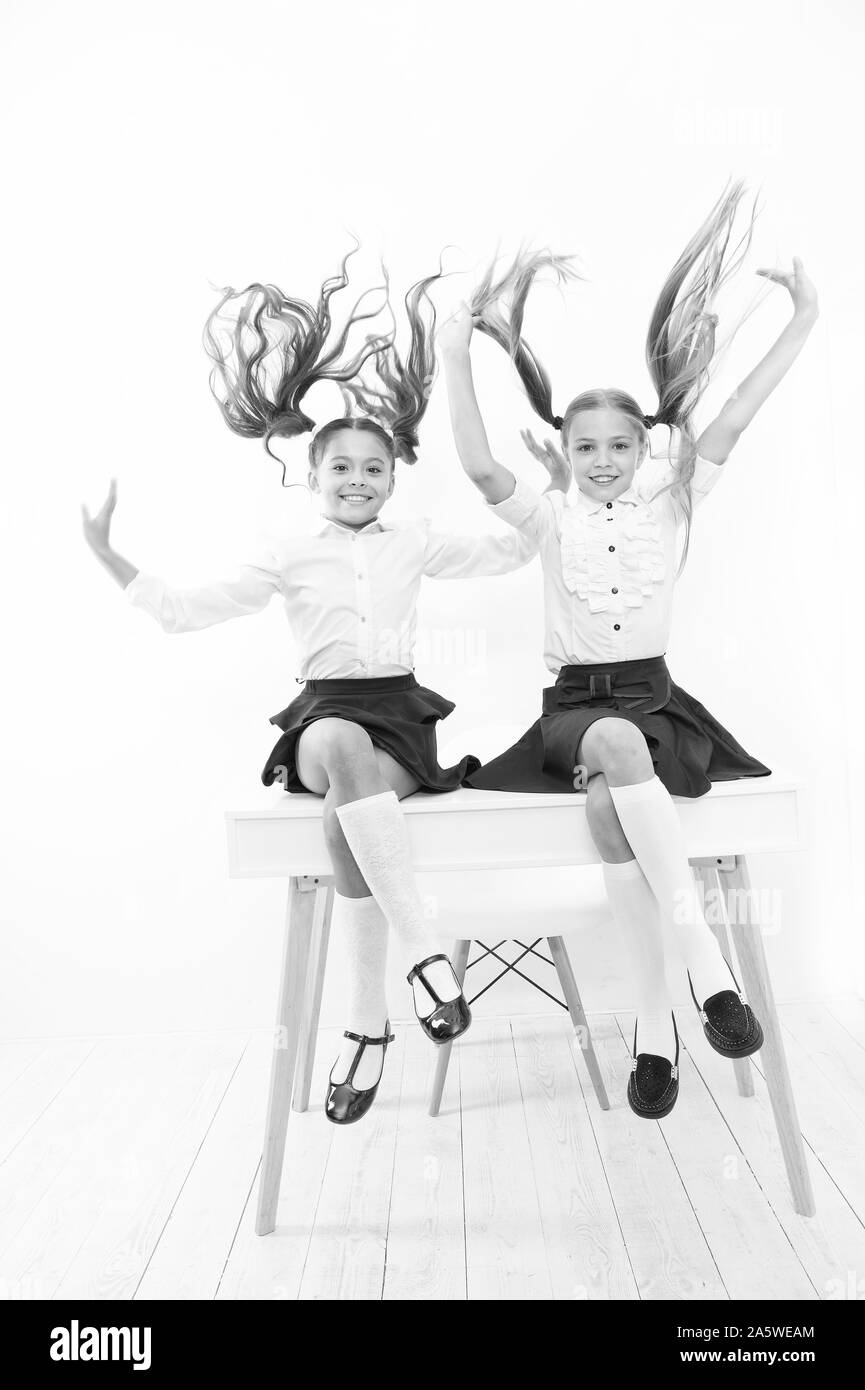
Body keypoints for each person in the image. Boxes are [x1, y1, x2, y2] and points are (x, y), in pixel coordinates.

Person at [82, 254, 537, 1126]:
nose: (358, 480)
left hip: (401, 720)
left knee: (345, 817)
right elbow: (187, 609)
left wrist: (539, 492)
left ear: (392, 478)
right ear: (314, 476)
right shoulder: (285, 552)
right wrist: (110, 556)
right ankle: (422, 956)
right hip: (326, 713)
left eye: (373, 469)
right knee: (333, 743)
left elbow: (512, 553)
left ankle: (365, 1028)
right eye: (342, 470)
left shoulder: (415, 542)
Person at [439, 183, 819, 1118]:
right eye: (583, 445)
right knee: (606, 748)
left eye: (618, 444)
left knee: (613, 813)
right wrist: (454, 351)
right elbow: (481, 463)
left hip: (655, 703)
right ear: (560, 449)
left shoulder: (672, 501)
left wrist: (804, 315)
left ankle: (654, 1025)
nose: (602, 459)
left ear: (643, 445)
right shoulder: (547, 515)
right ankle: (705, 965)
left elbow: (734, 412)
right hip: (576, 707)